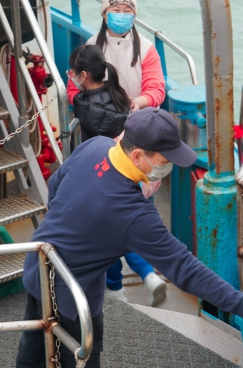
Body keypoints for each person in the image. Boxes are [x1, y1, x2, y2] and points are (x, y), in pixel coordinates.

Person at [13, 107, 243, 368]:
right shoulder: (132, 213)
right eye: (164, 159)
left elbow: (56, 187)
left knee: (33, 346)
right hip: (74, 295)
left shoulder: (95, 146)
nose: (167, 166)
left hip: (39, 264)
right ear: (138, 155)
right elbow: (184, 268)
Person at [69, 43, 169, 306]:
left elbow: (75, 101)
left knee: (106, 237)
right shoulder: (120, 94)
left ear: (83, 75)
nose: (71, 77)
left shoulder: (84, 105)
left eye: (73, 72)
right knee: (133, 227)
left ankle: (116, 291)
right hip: (137, 173)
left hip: (107, 177)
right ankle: (149, 274)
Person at [66, 0, 165, 112]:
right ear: (104, 14)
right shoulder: (91, 45)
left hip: (139, 118)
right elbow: (73, 89)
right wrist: (90, 107)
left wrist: (139, 102)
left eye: (127, 11)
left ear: (134, 16)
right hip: (99, 117)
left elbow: (156, 89)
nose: (122, 15)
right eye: (116, 10)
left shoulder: (146, 48)